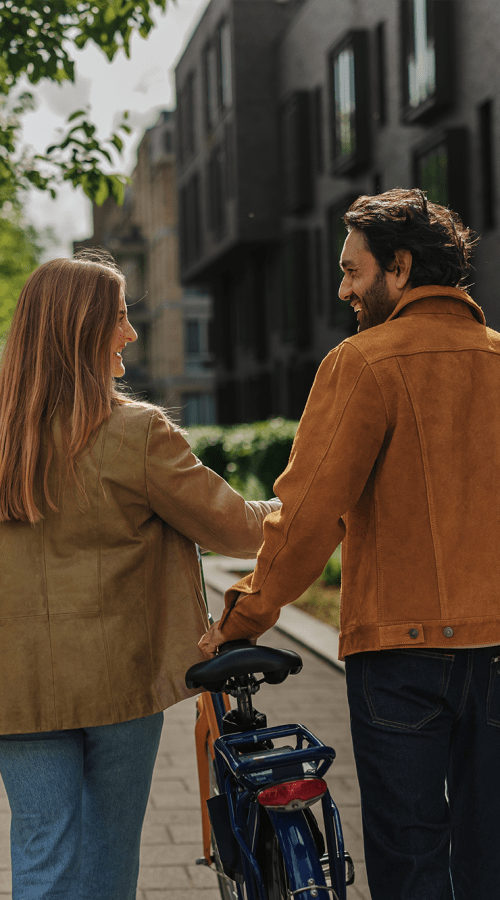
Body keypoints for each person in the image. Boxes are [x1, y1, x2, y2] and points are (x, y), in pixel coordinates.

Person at [199, 188, 500, 900]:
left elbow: (308, 517)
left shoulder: (363, 362)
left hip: (401, 656)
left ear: (400, 267)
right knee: (491, 858)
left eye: (352, 271)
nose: (343, 290)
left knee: (410, 859)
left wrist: (243, 617)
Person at [0, 251, 279, 900]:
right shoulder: (136, 432)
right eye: (119, 318)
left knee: (41, 855)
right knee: (108, 854)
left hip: (17, 684)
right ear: (83, 329)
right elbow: (236, 528)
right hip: (118, 679)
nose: (129, 332)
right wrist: (306, 508)